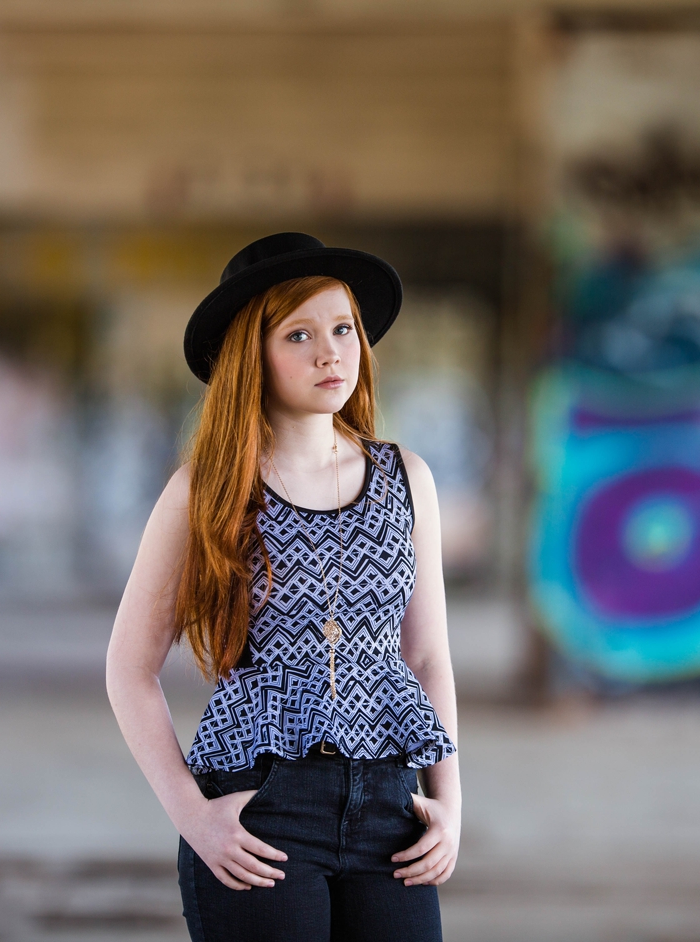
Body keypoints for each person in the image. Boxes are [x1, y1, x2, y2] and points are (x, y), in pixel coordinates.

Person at [106, 233, 460, 942]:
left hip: (391, 809)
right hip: (262, 808)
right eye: (298, 334)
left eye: (342, 329)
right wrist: (192, 814)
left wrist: (450, 804)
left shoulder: (407, 478)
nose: (330, 352)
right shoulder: (205, 491)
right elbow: (129, 669)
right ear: (252, 357)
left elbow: (425, 659)